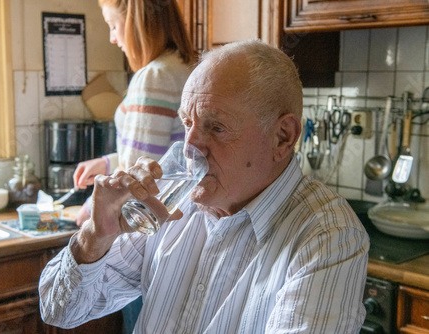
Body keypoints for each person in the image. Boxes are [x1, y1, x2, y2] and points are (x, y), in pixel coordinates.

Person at [39, 40, 369, 333]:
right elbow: (59, 311)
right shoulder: (168, 205)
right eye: (187, 123)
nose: (189, 147)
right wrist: (95, 237)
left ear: (283, 136)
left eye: (216, 127)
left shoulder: (328, 237)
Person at [72, 0, 196, 226]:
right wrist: (108, 163)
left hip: (151, 219)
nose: (112, 38)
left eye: (113, 25)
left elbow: (134, 176)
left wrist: (89, 210)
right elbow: (165, 155)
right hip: (186, 215)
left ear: (136, 24)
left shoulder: (154, 77)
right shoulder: (189, 68)